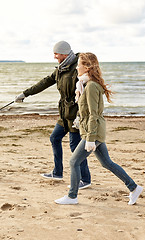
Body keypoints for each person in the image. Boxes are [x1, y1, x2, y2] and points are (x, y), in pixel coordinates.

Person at [54, 52, 143, 205]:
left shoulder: (91, 87)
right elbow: (86, 111)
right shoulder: (84, 85)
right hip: (92, 130)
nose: (76, 68)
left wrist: (90, 138)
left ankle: (72, 196)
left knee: (74, 161)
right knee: (106, 163)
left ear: (87, 67)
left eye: (79, 64)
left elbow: (94, 115)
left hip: (93, 132)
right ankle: (134, 188)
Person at [15, 41, 91, 189]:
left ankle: (85, 179)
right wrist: (25, 93)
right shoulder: (61, 69)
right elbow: (45, 82)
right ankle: (57, 172)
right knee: (54, 138)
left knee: (76, 147)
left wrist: (81, 116)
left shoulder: (78, 68)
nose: (55, 57)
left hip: (76, 115)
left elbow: (87, 92)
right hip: (64, 114)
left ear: (64, 53)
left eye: (56, 54)